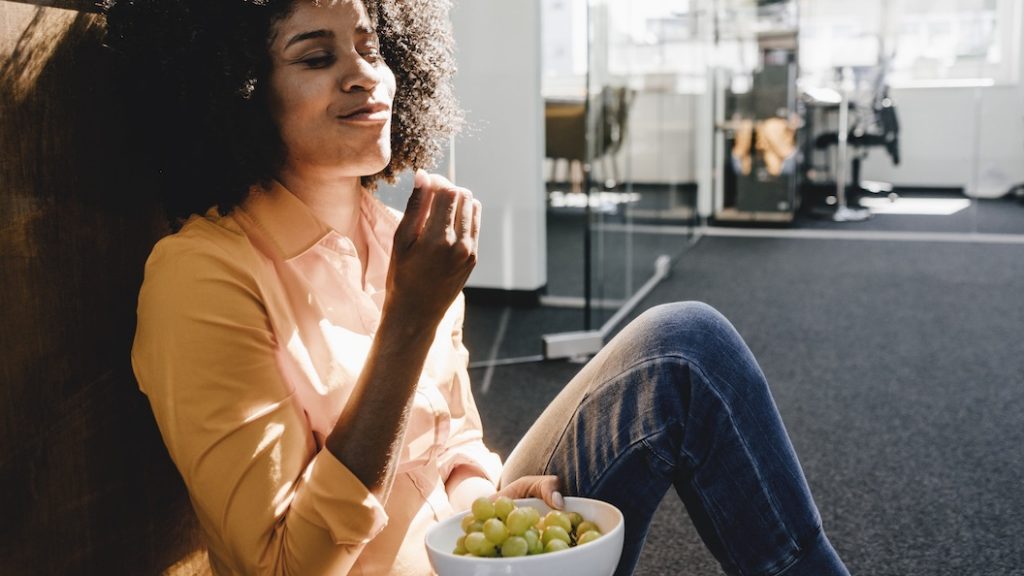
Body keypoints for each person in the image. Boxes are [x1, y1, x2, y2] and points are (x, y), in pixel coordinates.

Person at [106, 1, 851, 575]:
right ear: (237, 92)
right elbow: (285, 564)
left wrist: (483, 495)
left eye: (369, 45)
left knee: (684, 346)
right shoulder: (202, 274)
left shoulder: (399, 234)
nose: (364, 73)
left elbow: (453, 437)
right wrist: (410, 319)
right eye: (316, 55)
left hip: (466, 551)